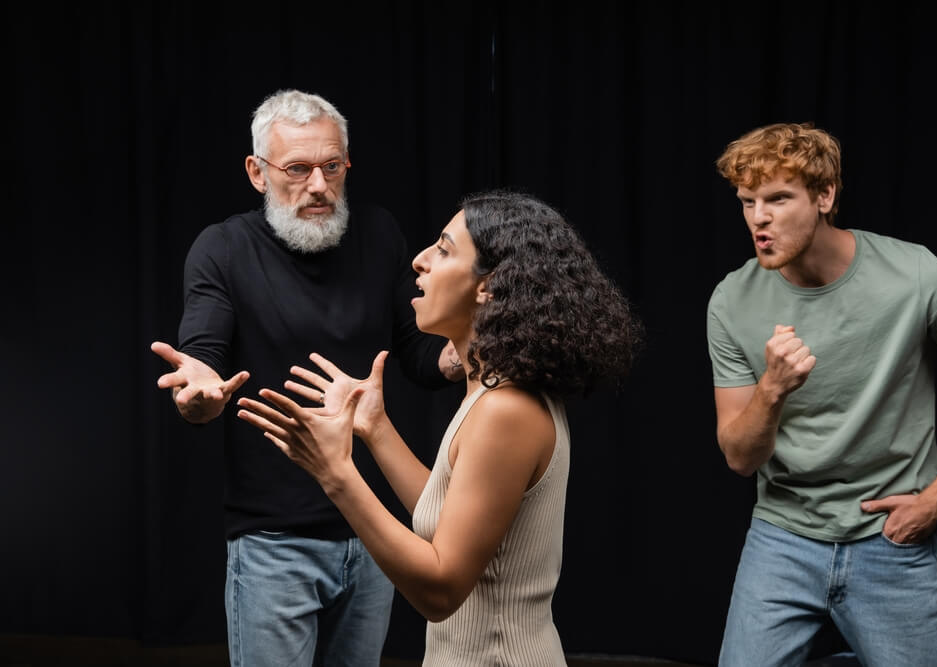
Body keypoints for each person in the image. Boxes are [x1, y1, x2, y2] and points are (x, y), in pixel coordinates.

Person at [236, 190, 642, 666]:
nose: (420, 260)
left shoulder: (505, 411)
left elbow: (441, 589)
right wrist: (376, 426)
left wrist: (336, 473)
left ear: (488, 286)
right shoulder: (492, 395)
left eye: (445, 250)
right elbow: (449, 519)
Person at [151, 89, 462, 667]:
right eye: (297, 169)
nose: (319, 186)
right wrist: (199, 396)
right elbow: (202, 359)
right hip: (274, 542)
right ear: (257, 173)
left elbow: (418, 355)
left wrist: (467, 354)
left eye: (332, 166)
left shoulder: (379, 234)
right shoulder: (223, 249)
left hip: (374, 531)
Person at [707, 122, 937, 666]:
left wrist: (936, 502)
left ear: (825, 196)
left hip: (892, 543)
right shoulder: (732, 299)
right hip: (782, 539)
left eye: (777, 198)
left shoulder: (914, 275)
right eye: (747, 201)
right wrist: (771, 390)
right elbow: (740, 458)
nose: (758, 218)